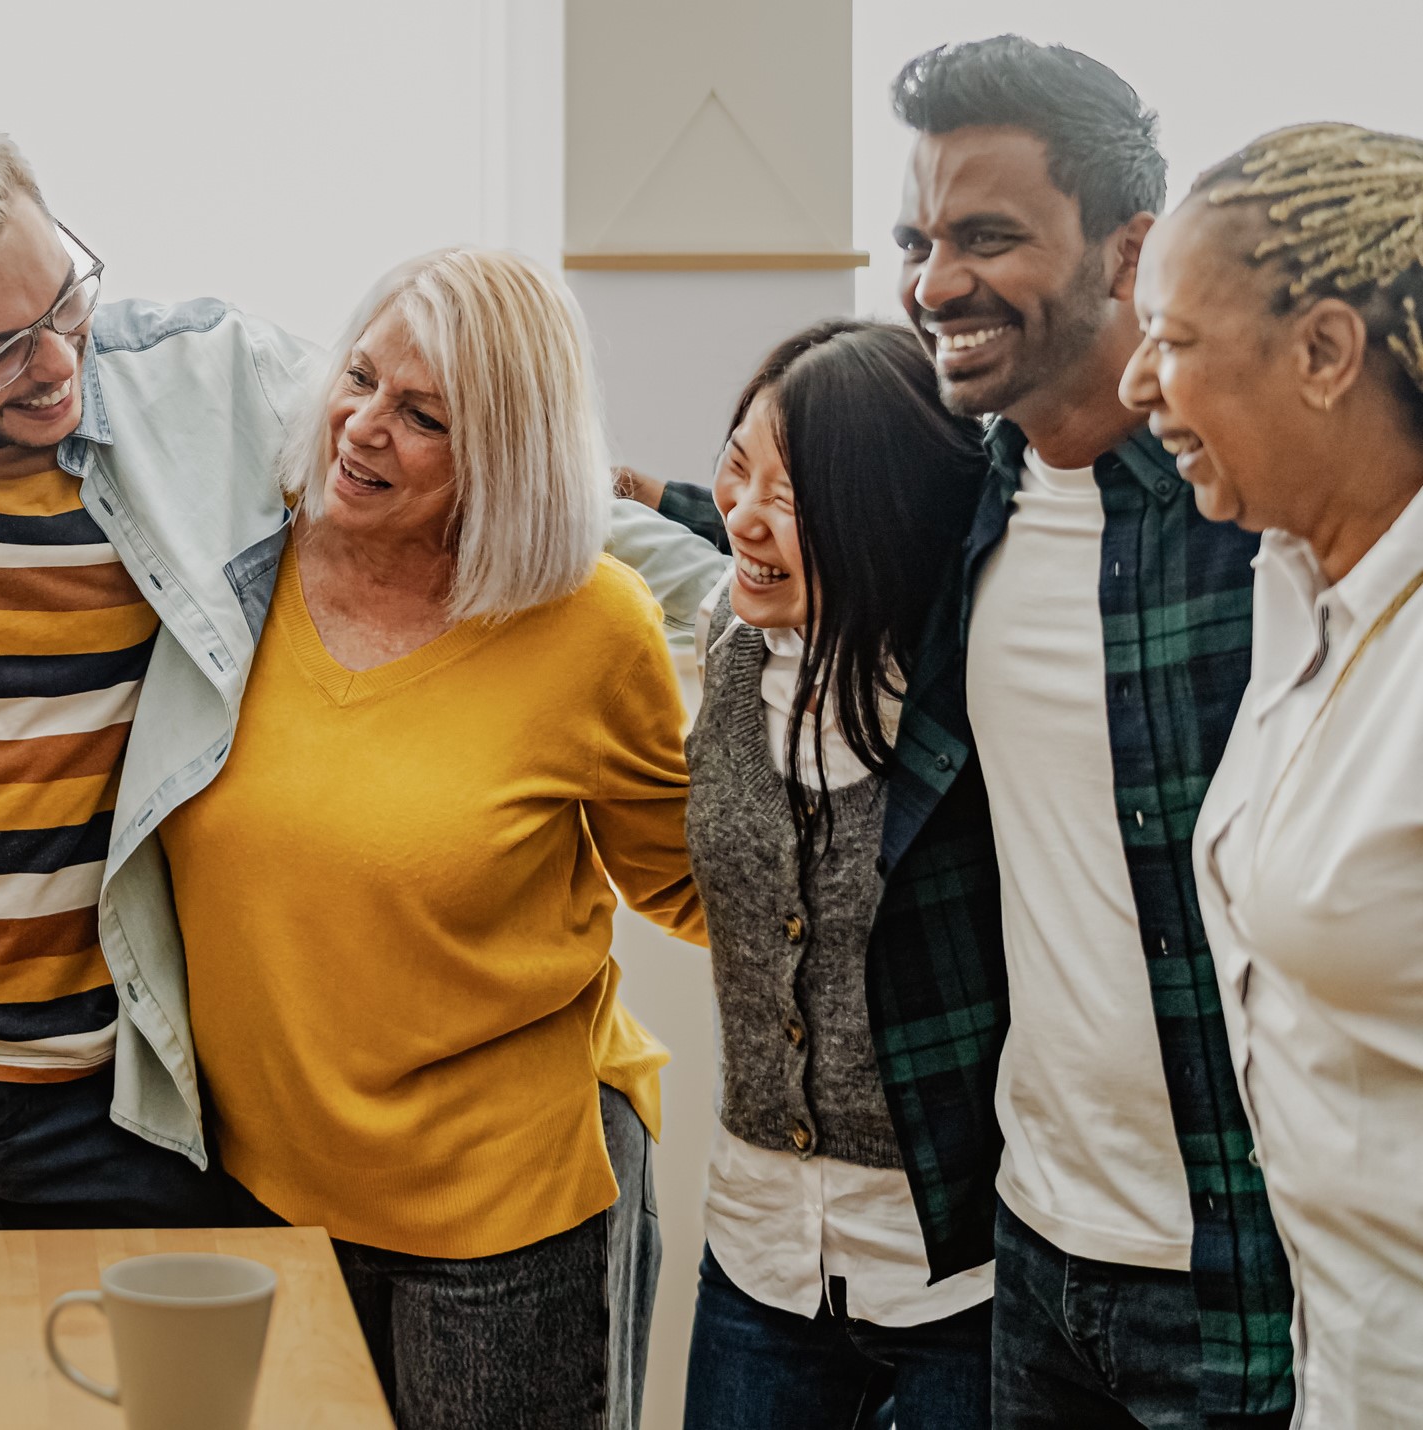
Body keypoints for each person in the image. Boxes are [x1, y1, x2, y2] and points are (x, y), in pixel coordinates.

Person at [0, 108, 726, 1239]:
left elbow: (519, 471)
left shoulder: (207, 384)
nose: (58, 360)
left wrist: (755, 593)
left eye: (65, 298)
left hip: (116, 1081)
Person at [638, 37, 1294, 1429]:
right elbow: (823, 545)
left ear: (1131, 250)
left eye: (988, 236)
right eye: (918, 239)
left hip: (1237, 1267)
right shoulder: (973, 504)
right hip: (1027, 1252)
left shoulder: (1250, 524)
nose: (936, 282)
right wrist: (663, 498)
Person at [153, 247, 697, 1430]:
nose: (361, 427)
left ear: (504, 456)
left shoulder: (591, 627)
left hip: (506, 1202)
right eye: (358, 377)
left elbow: (694, 884)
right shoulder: (232, 576)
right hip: (258, 1190)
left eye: (422, 416)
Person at [1125, 122, 1423, 1430]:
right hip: (1342, 1358)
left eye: (1176, 340)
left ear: (1323, 353)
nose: (1139, 380)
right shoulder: (1297, 588)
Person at [673, 321, 995, 1430]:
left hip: (957, 1274)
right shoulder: (726, 636)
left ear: (880, 506)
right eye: (739, 464)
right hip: (757, 1259)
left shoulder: (967, 698)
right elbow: (654, 535)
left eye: (793, 493)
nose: (745, 514)